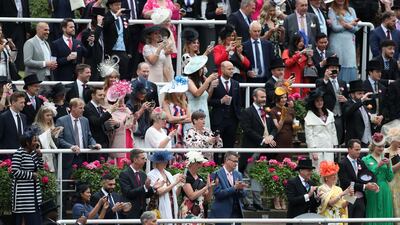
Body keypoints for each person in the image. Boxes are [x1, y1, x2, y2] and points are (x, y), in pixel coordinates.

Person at [240, 88, 277, 210]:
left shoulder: (268, 111)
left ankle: (258, 202)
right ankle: (248, 202)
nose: (264, 99)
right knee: (249, 174)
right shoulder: (247, 112)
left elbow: (274, 127)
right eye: (261, 97)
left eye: (265, 97)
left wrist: (271, 136)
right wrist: (262, 139)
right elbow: (247, 129)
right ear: (254, 98)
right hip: (252, 148)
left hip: (264, 150)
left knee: (259, 176)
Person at [56, 98, 101, 180]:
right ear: (73, 108)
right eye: (80, 108)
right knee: (67, 184)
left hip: (82, 157)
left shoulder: (85, 120)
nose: (83, 110)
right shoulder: (61, 120)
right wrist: (71, 147)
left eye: (83, 108)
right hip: (68, 158)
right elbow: (59, 139)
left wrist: (94, 144)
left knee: (82, 184)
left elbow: (89, 137)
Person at [338, 139, 379, 225]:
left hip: (360, 198)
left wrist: (373, 183)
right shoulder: (342, 163)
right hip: (348, 197)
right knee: (348, 222)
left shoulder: (361, 162)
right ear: (349, 149)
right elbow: (346, 182)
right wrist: (364, 186)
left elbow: (369, 175)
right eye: (356, 149)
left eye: (359, 149)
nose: (359, 152)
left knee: (359, 222)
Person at [209, 61, 241, 159]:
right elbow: (208, 101)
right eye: (229, 69)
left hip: (232, 120)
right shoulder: (215, 82)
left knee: (229, 146)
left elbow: (239, 102)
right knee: (215, 145)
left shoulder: (236, 84)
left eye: (232, 69)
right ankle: (214, 166)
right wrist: (220, 101)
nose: (232, 71)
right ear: (222, 70)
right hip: (218, 119)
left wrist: (238, 117)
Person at [11, 126, 43, 225]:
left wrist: (39, 156)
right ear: (27, 142)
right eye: (34, 141)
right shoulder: (19, 153)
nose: (37, 143)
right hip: (23, 194)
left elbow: (40, 168)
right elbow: (15, 171)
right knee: (25, 219)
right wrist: (31, 175)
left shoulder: (33, 153)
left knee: (35, 218)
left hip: (33, 192)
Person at [362, 133, 394, 225]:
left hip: (384, 189)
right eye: (379, 146)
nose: (381, 149)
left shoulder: (386, 158)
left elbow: (390, 178)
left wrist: (388, 165)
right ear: (373, 146)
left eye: (383, 146)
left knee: (386, 212)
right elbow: (366, 177)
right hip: (372, 189)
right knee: (373, 212)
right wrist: (378, 166)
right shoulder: (365, 159)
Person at [315, 56, 348, 146]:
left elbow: (347, 97)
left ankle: (337, 156)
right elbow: (318, 93)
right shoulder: (320, 81)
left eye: (336, 68)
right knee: (327, 138)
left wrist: (345, 100)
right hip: (327, 114)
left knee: (339, 137)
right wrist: (325, 79)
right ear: (327, 69)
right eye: (332, 68)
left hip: (339, 115)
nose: (334, 70)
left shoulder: (342, 83)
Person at [209, 151, 247, 224]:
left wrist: (241, 189)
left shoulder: (238, 174)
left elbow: (244, 194)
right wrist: (234, 187)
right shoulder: (216, 174)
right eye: (234, 161)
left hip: (237, 214)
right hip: (222, 214)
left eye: (237, 161)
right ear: (226, 160)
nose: (236, 164)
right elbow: (218, 194)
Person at [119, 149, 159, 218]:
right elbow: (128, 193)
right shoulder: (124, 174)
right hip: (130, 213)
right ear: (135, 160)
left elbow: (145, 195)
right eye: (143, 158)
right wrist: (144, 187)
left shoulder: (143, 174)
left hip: (142, 213)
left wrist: (153, 188)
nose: (145, 161)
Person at [147, 151, 185, 221]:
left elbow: (175, 194)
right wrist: (175, 183)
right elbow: (159, 192)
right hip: (158, 206)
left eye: (166, 160)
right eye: (163, 161)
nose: (166, 162)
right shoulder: (151, 174)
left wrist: (180, 185)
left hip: (172, 207)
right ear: (157, 162)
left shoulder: (168, 174)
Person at [304, 88, 337, 169]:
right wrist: (313, 151)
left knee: (330, 169)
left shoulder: (329, 114)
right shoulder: (309, 116)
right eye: (317, 101)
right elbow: (309, 136)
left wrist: (335, 145)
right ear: (313, 102)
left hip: (329, 147)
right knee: (318, 171)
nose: (320, 102)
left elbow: (333, 131)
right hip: (317, 149)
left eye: (321, 100)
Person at [328, 0, 359, 83]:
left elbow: (356, 28)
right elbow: (335, 28)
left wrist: (345, 24)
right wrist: (350, 24)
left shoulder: (351, 10)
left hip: (349, 42)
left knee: (350, 63)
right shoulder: (331, 10)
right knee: (338, 63)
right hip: (337, 42)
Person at [344, 80, 382, 147]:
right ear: (352, 95)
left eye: (363, 93)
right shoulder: (348, 104)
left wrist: (375, 123)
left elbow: (367, 123)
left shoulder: (364, 107)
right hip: (356, 142)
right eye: (359, 93)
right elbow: (349, 112)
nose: (362, 96)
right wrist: (361, 100)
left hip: (368, 141)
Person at [106, 80, 136, 166]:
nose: (122, 101)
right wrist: (123, 122)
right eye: (120, 99)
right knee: (119, 165)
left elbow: (134, 127)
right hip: (118, 141)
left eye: (123, 99)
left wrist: (131, 116)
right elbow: (111, 127)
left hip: (129, 140)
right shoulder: (110, 111)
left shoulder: (127, 110)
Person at [183, 55, 218, 129]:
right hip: (194, 112)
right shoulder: (189, 81)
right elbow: (197, 93)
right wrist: (208, 80)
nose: (202, 70)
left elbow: (206, 98)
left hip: (204, 111)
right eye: (201, 69)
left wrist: (211, 86)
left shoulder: (201, 81)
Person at [180, 151, 213, 221]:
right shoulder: (185, 177)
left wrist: (210, 187)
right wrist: (205, 188)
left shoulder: (201, 178)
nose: (201, 165)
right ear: (192, 163)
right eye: (198, 162)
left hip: (200, 210)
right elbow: (191, 196)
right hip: (188, 210)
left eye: (201, 163)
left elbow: (207, 200)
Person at [103, 0, 131, 81]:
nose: (118, 7)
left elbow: (128, 35)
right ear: (110, 6)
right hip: (111, 50)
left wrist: (129, 52)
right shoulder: (106, 16)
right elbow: (105, 25)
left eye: (119, 5)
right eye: (116, 5)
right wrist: (115, 16)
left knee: (123, 74)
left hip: (123, 50)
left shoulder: (124, 17)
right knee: (111, 75)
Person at [160, 76, 191, 148]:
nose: (180, 93)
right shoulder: (166, 102)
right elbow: (169, 119)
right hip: (170, 131)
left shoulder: (184, 102)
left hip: (182, 131)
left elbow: (190, 119)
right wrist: (183, 117)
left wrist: (175, 120)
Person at [0, 0, 30, 71]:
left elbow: (27, 12)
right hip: (8, 27)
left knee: (19, 49)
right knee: (7, 48)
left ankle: (17, 70)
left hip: (21, 26)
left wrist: (28, 29)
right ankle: (8, 69)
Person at [33, 102, 62, 172]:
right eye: (47, 115)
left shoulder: (52, 126)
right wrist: (49, 134)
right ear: (41, 116)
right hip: (41, 156)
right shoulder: (35, 126)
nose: (50, 117)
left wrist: (56, 135)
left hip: (52, 156)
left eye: (51, 115)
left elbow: (56, 144)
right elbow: (36, 141)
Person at [81, 7, 105, 81]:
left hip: (102, 64)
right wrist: (99, 24)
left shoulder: (102, 31)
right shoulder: (86, 32)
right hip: (92, 66)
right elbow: (94, 39)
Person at [384, 128, 400, 223]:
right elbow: (388, 170)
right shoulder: (386, 153)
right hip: (393, 183)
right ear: (393, 140)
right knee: (394, 205)